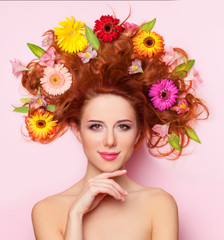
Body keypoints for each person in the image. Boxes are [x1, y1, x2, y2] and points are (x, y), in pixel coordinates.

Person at [11, 13, 208, 240]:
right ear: (77, 130)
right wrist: (75, 215)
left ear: (138, 133)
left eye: (123, 127)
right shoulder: (47, 211)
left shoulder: (159, 205)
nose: (110, 140)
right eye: (96, 126)